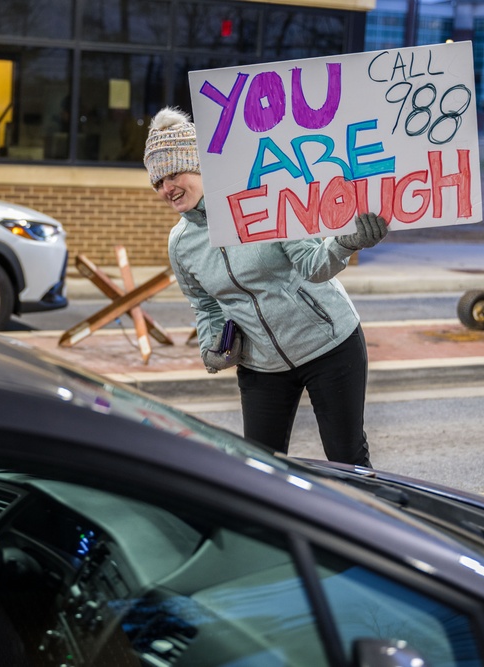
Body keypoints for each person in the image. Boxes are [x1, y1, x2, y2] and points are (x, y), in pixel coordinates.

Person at [144, 107, 389, 466]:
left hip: (328, 344)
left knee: (346, 457)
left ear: (201, 165)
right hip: (261, 365)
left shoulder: (264, 200)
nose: (166, 188)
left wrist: (346, 242)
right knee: (259, 468)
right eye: (157, 181)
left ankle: (368, 521)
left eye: (173, 173)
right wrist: (212, 342)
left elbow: (313, 265)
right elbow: (204, 303)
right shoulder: (181, 243)